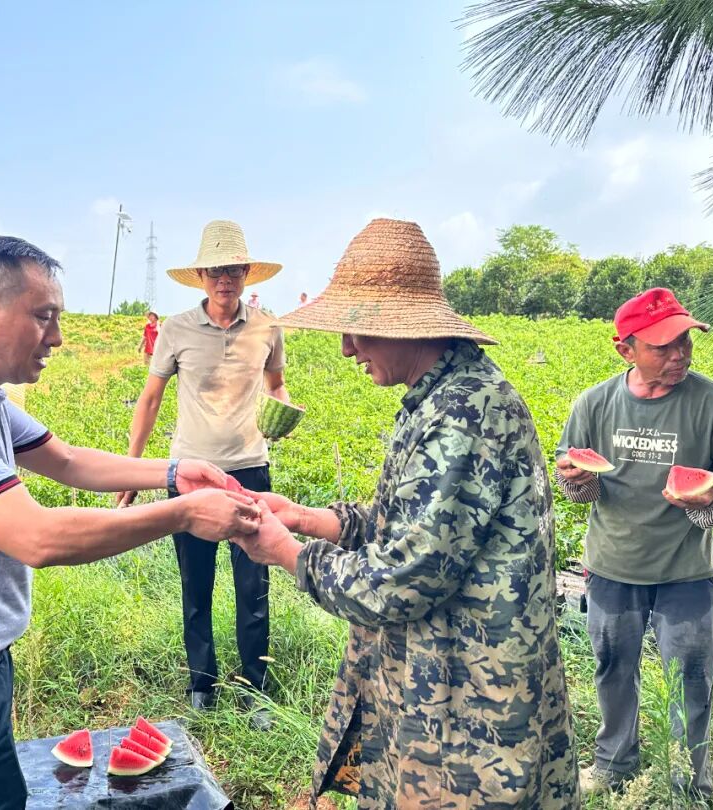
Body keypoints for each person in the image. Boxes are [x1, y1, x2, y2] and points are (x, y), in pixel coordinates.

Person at [0, 236, 260, 810]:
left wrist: (173, 472)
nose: (58, 338)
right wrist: (184, 514)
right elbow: (37, 537)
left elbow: (65, 460)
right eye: (44, 317)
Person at [231, 219, 579, 808]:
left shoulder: (463, 413)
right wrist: (314, 519)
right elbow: (419, 528)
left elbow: (403, 579)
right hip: (436, 685)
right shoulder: (439, 397)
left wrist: (287, 554)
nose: (346, 349)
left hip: (471, 711)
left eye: (356, 332)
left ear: (405, 329)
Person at [555, 287, 713, 800]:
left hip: (687, 572)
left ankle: (690, 778)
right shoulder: (594, 403)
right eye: (662, 346)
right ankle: (613, 762)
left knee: (691, 678)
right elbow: (582, 489)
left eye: (685, 342)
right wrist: (575, 480)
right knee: (612, 670)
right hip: (612, 567)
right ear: (625, 349)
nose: (679, 355)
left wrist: (708, 501)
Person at [117, 220, 291, 727]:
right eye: (215, 270)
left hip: (250, 471)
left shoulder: (267, 326)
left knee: (253, 584)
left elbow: (277, 387)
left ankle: (256, 687)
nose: (225, 279)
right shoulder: (174, 329)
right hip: (190, 475)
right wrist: (133, 468)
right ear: (200, 274)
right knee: (197, 584)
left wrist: (283, 411)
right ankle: (202, 683)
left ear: (245, 272)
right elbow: (149, 400)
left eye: (233, 269)